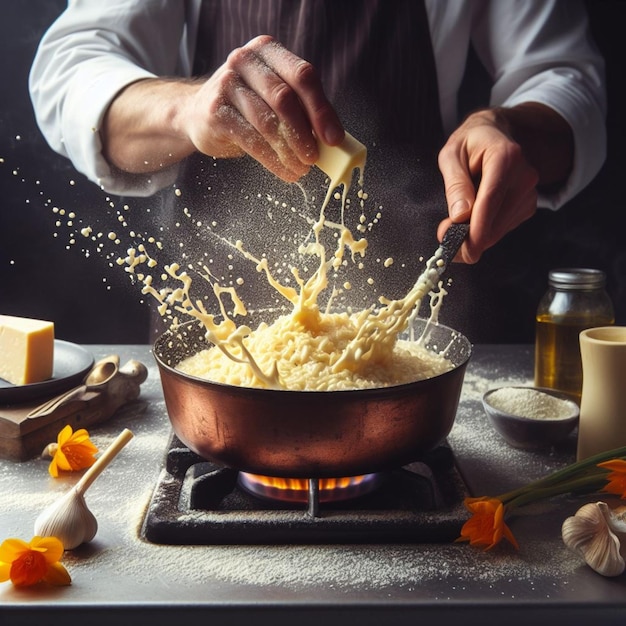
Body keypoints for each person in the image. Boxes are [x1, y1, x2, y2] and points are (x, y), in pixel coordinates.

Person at [29, 0, 606, 342]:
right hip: (218, 319)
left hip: (418, 303)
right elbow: (71, 66)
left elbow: (560, 71)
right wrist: (185, 108)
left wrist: (508, 126)